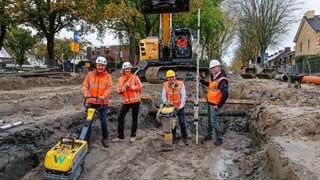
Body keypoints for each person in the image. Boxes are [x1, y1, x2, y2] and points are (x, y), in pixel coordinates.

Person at [81, 56, 113, 148]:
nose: (100, 67)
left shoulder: (108, 76)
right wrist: (86, 93)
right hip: (91, 101)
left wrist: (104, 96)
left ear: (105, 66)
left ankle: (105, 138)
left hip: (103, 103)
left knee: (103, 121)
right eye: (99, 65)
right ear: (96, 65)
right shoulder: (90, 74)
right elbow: (84, 85)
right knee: (88, 122)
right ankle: (86, 141)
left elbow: (109, 88)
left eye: (102, 66)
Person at [199, 59, 228, 146]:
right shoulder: (214, 76)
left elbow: (225, 94)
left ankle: (219, 138)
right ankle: (209, 135)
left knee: (214, 121)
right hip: (210, 102)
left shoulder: (222, 80)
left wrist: (218, 105)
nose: (212, 70)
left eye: (214, 68)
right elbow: (211, 85)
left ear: (219, 67)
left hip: (215, 105)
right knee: (209, 120)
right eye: (211, 69)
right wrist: (201, 80)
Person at [113, 62, 142, 143]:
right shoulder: (120, 79)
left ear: (130, 69)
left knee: (134, 118)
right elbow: (118, 90)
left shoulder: (135, 77)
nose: (127, 70)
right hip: (126, 101)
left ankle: (133, 135)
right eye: (126, 69)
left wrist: (131, 87)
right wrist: (120, 90)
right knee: (120, 117)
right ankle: (120, 136)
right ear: (123, 70)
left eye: (128, 69)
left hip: (136, 101)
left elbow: (140, 87)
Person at [162, 70, 189, 146]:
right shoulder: (165, 85)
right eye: (169, 77)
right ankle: (173, 137)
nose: (171, 79)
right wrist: (166, 103)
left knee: (182, 122)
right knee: (171, 124)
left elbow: (183, 96)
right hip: (170, 108)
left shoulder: (180, 84)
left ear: (175, 77)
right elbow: (163, 97)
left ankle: (185, 137)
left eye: (172, 77)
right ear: (167, 78)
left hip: (179, 107)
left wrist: (180, 106)